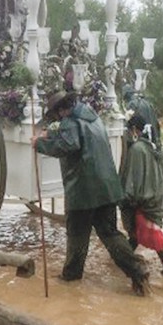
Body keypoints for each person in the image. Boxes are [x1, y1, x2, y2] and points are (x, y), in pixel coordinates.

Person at [33, 91, 151, 296]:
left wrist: (39, 144)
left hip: (83, 190)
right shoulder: (93, 117)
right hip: (106, 188)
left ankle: (71, 276)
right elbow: (74, 136)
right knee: (110, 233)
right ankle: (137, 270)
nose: (58, 118)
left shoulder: (70, 122)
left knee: (77, 234)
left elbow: (69, 143)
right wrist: (50, 134)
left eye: (57, 114)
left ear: (61, 110)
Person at [120, 114, 163, 277]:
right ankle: (123, 259)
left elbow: (132, 179)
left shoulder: (137, 149)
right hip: (161, 198)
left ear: (134, 130)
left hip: (144, 201)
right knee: (138, 233)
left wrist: (125, 199)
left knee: (149, 232)